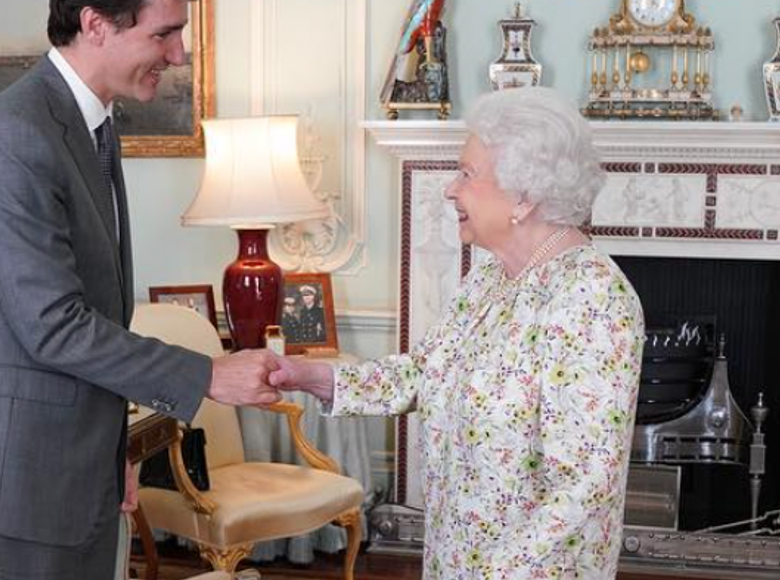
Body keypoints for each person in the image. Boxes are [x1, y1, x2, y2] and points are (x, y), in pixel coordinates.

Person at [0, 0, 281, 580]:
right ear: (95, 24)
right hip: (20, 473)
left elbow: (96, 305)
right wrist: (207, 374)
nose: (177, 56)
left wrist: (111, 446)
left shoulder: (89, 120)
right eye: (163, 34)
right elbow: (53, 324)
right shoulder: (15, 135)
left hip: (70, 455)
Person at [270, 87, 645, 579]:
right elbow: (425, 373)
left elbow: (586, 485)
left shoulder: (592, 299)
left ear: (525, 195)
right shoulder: (489, 278)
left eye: (467, 174)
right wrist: (311, 376)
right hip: (456, 560)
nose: (450, 189)